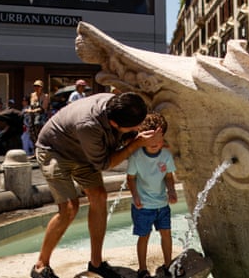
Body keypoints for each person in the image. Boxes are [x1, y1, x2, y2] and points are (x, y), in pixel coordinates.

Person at [31, 92, 162, 278]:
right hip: (56, 151)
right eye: (135, 126)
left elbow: (121, 139)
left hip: (85, 154)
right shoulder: (89, 124)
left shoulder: (118, 104)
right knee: (69, 208)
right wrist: (135, 144)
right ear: (116, 124)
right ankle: (40, 265)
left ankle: (96, 264)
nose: (139, 128)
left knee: (99, 197)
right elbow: (105, 164)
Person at [126, 112, 183, 278]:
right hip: (143, 205)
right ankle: (142, 269)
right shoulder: (136, 157)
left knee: (166, 233)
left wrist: (171, 191)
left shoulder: (165, 155)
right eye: (150, 139)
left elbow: (168, 176)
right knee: (144, 236)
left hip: (161, 204)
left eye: (158, 140)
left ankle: (168, 265)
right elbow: (130, 179)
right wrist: (135, 196)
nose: (155, 143)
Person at [27, 80, 49, 147]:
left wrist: (33, 111)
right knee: (32, 133)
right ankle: (35, 150)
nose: (36, 88)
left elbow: (43, 107)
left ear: (41, 87)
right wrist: (29, 110)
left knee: (38, 129)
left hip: (40, 115)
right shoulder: (32, 95)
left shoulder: (45, 96)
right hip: (32, 116)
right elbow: (31, 105)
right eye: (35, 86)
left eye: (38, 86)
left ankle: (41, 148)